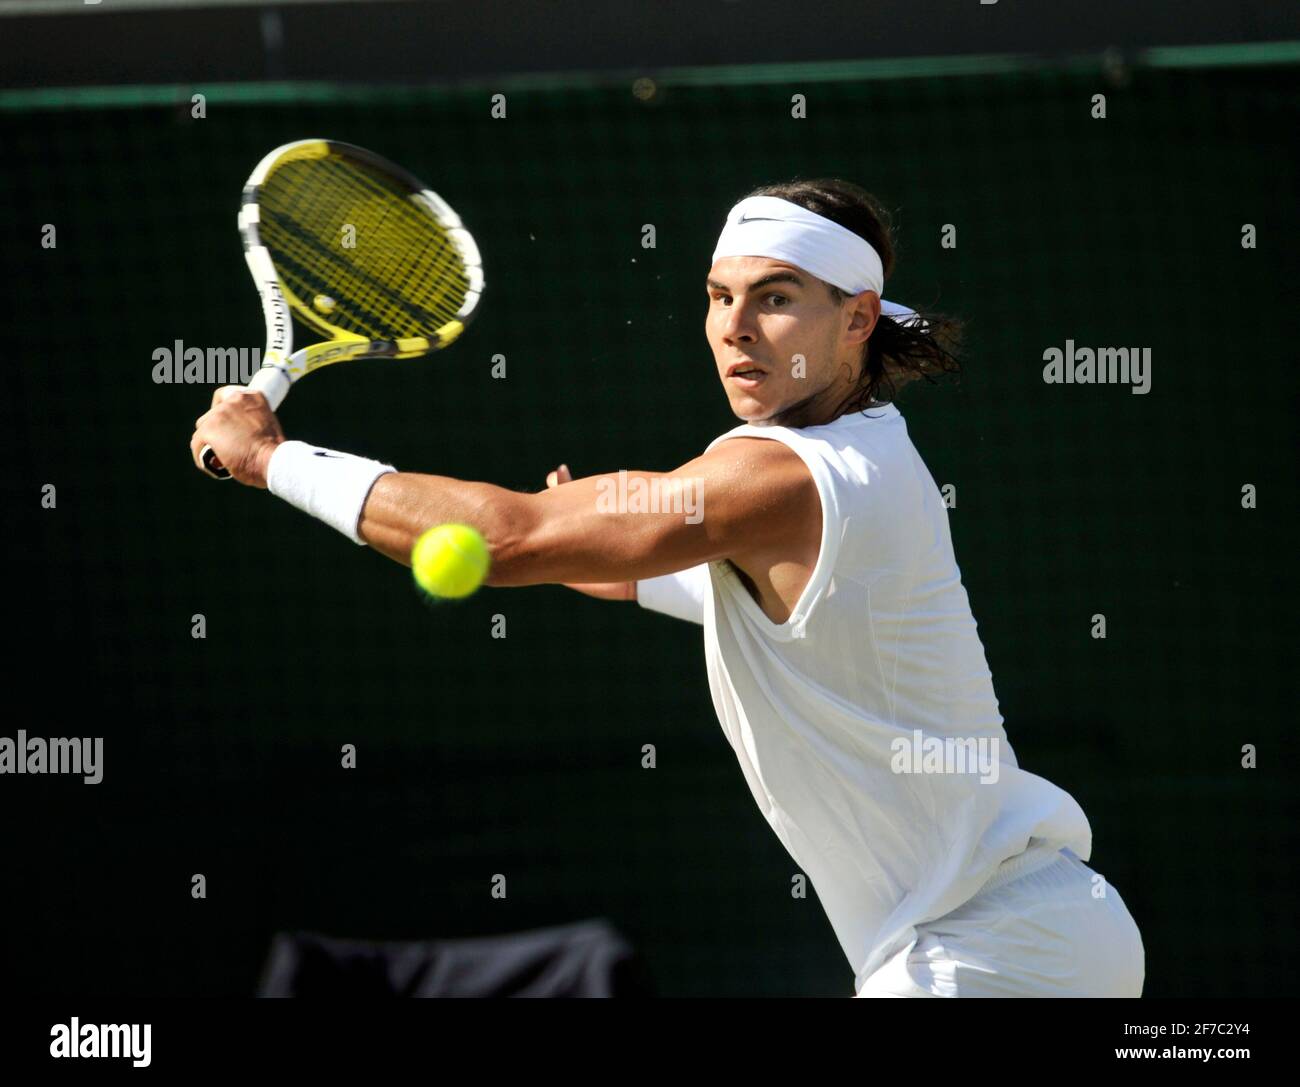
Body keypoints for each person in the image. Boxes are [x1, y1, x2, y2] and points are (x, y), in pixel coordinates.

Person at [190, 178, 1144, 997]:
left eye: (775, 298)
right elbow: (697, 592)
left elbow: (504, 537)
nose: (734, 329)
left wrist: (271, 458)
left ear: (856, 317)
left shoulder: (787, 476)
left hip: (987, 959)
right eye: (717, 296)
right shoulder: (863, 455)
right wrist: (593, 549)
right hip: (1034, 940)